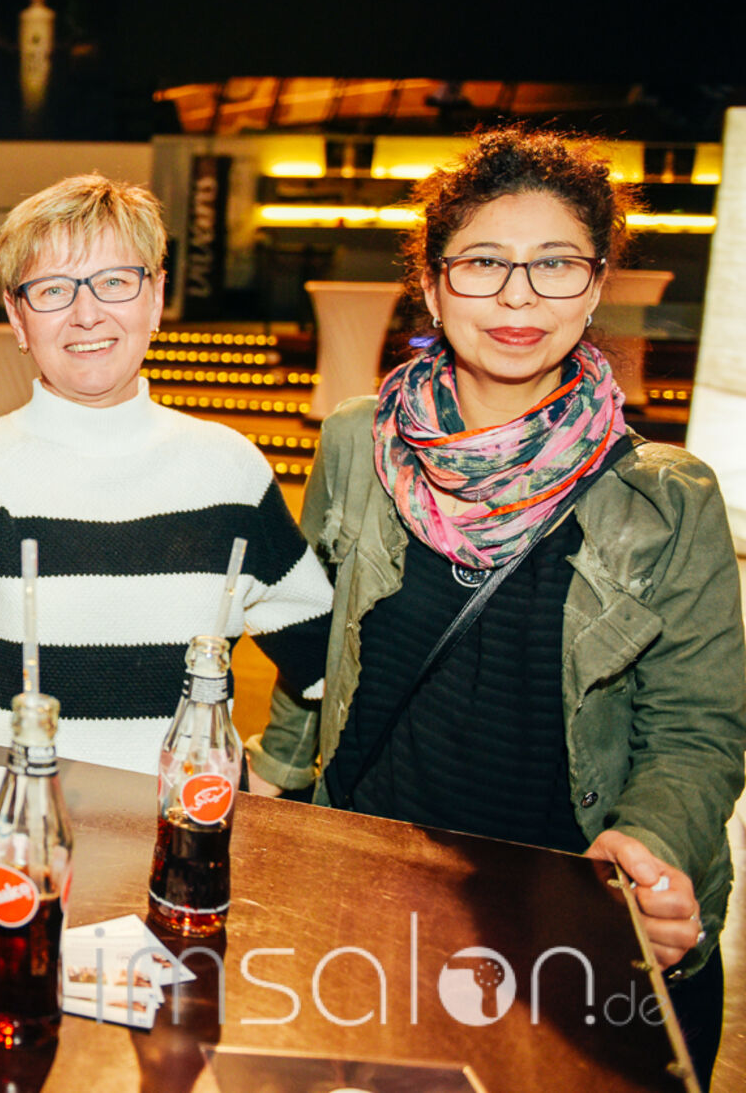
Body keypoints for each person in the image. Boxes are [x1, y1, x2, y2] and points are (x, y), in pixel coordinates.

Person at [246, 129, 744, 1085]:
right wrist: (275, 782)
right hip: (367, 893)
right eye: (482, 263)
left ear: (595, 287)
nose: (519, 297)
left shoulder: (666, 498)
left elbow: (699, 730)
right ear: (432, 288)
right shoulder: (359, 444)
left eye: (554, 264)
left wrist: (648, 844)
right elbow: (316, 641)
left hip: (556, 918)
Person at [0, 173, 332, 772]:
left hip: (182, 823)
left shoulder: (230, 471)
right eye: (53, 290)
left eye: (115, 282)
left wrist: (278, 770)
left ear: (156, 297)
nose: (87, 314)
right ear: (17, 317)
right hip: (22, 819)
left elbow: (329, 666)